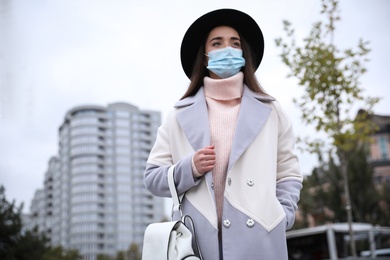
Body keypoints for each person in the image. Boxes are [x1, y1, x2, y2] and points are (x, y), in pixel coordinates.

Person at [144, 8, 303, 260]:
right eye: (217, 43)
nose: (227, 49)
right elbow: (152, 177)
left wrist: (282, 215)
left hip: (260, 239)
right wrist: (190, 169)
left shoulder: (271, 111)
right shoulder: (177, 114)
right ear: (205, 56)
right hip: (195, 243)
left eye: (235, 43)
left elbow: (288, 173)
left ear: (244, 54)